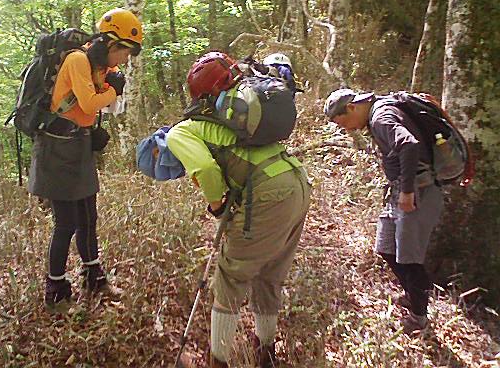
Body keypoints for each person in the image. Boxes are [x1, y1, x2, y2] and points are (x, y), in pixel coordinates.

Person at [168, 52, 311, 368]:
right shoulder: (243, 116)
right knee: (270, 274)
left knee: (231, 278)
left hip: (268, 193)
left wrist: (217, 206)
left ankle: (218, 361)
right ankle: (266, 353)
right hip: (296, 180)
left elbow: (205, 169)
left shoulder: (181, 131)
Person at [29, 8, 143, 313]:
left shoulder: (100, 66)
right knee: (66, 224)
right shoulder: (78, 60)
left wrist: (110, 90)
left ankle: (94, 277)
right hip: (56, 149)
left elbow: (100, 106)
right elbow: (91, 102)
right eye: (125, 52)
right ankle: (55, 292)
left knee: (88, 218)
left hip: (78, 146)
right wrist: (113, 91)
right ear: (112, 43)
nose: (125, 60)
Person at [323, 88, 444, 334]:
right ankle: (413, 294)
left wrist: (407, 192)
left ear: (352, 108)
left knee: (409, 258)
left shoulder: (381, 117)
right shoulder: (377, 114)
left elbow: (408, 145)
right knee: (386, 248)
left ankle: (419, 316)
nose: (345, 129)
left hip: (417, 191)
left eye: (342, 122)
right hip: (399, 191)